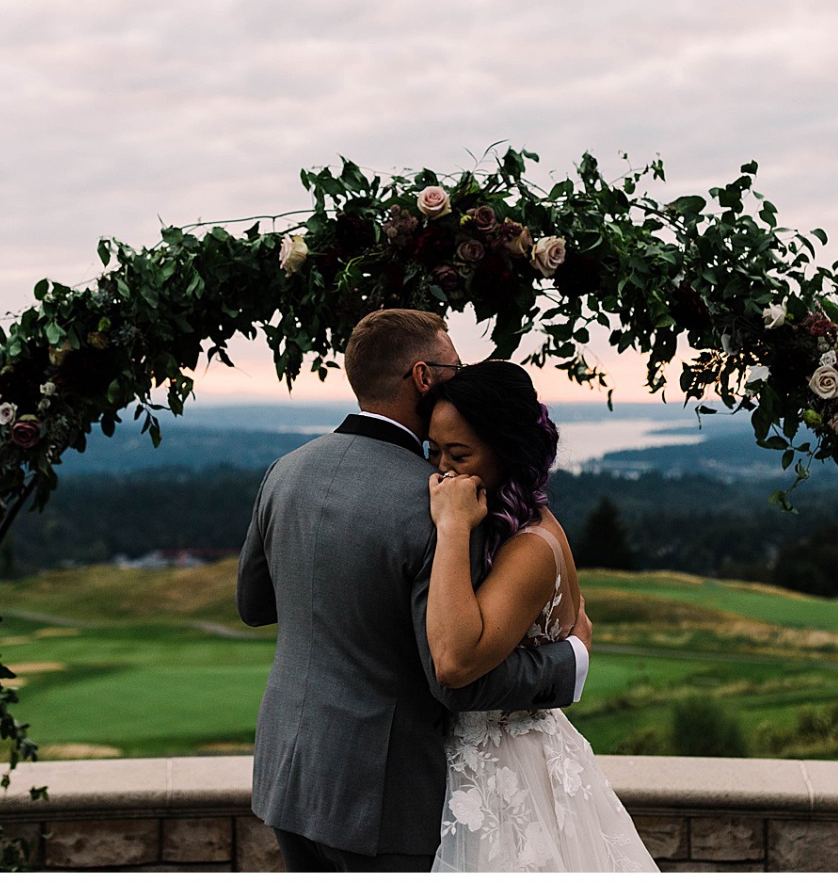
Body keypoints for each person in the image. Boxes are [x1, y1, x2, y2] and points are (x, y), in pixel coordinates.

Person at [237, 310, 592, 871]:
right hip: (382, 797)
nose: (463, 373)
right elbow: (454, 675)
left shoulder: (285, 470)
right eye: (455, 366)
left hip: (288, 775)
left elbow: (254, 607)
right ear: (424, 376)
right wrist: (567, 662)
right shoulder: (446, 501)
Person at [424, 360, 658, 872]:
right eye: (434, 451)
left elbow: (455, 660)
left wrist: (451, 527)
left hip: (509, 776)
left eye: (459, 454)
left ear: (507, 452)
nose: (442, 471)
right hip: (479, 766)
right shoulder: (514, 528)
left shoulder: (530, 546)